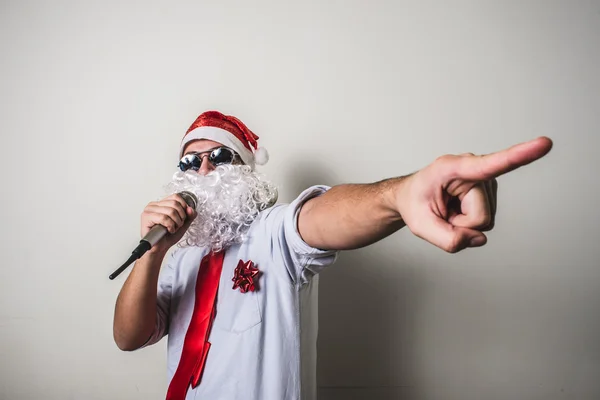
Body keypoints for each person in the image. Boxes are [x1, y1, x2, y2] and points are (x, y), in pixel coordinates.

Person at [113, 110, 553, 400]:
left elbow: (320, 218)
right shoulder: (175, 258)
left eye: (219, 156)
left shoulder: (273, 233)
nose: (204, 170)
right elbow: (130, 337)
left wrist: (399, 194)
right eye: (191, 162)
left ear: (245, 171)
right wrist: (153, 253)